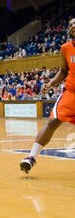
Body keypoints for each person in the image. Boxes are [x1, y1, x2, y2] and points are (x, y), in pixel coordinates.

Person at [20, 18, 75, 174]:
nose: (73, 26)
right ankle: (31, 158)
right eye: (70, 25)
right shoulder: (65, 48)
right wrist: (50, 84)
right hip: (71, 92)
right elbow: (63, 71)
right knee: (52, 121)